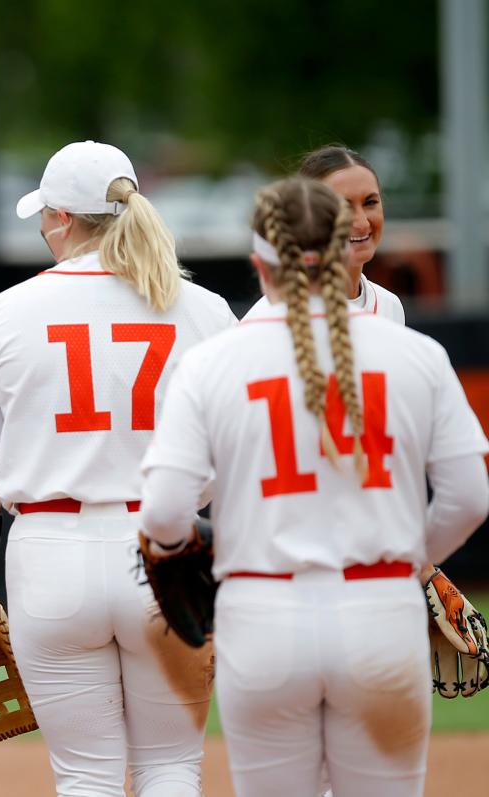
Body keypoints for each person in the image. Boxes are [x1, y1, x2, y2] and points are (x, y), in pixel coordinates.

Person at [139, 177, 489, 797]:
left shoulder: (213, 361)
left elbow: (166, 510)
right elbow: (469, 497)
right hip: (381, 612)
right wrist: (409, 554)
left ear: (258, 263)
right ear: (344, 249)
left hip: (264, 616)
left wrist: (188, 555)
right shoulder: (416, 354)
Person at [0, 141, 236, 795]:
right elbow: (235, 453)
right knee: (171, 766)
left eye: (44, 216)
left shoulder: (7, 312)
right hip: (168, 545)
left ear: (61, 219)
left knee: (86, 777)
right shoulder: (206, 308)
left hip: (50, 554)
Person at [245, 145, 403, 322]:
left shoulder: (390, 306)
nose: (362, 222)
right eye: (343, 206)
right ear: (308, 214)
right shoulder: (265, 317)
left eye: (370, 202)